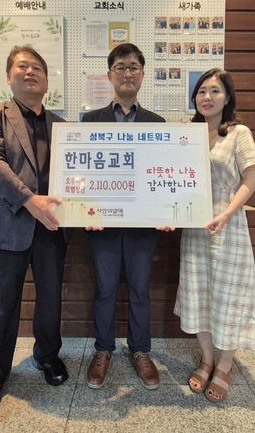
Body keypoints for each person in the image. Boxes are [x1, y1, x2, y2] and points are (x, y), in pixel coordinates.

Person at [0, 45, 69, 421]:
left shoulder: (62, 125)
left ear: (46, 80)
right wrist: (30, 201)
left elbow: (76, 176)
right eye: (22, 67)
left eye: (37, 68)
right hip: (7, 224)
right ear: (9, 77)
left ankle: (47, 356)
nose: (30, 72)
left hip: (52, 228)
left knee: (50, 300)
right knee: (1, 303)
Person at [174, 68, 255, 403]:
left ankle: (225, 366)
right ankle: (207, 359)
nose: (207, 97)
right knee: (198, 293)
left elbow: (251, 180)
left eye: (214, 91)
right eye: (201, 91)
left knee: (229, 296)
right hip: (195, 227)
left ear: (227, 98)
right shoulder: (188, 134)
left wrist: (226, 213)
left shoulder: (239, 133)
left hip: (228, 225)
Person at [82, 43, 168, 390]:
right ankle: (103, 350)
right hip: (101, 223)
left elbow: (163, 175)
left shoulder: (157, 124)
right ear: (110, 75)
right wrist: (83, 210)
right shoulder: (90, 121)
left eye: (134, 67)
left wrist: (165, 210)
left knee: (139, 289)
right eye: (121, 67)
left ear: (143, 75)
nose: (127, 73)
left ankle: (140, 351)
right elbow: (82, 174)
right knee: (104, 289)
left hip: (142, 226)